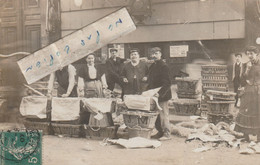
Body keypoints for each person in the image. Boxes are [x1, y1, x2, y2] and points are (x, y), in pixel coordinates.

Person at [235, 46, 260, 142]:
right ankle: (246, 135)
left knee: (258, 112)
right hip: (248, 91)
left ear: (257, 54)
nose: (249, 56)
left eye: (251, 54)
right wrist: (247, 70)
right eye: (248, 54)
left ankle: (259, 137)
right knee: (245, 111)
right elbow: (241, 81)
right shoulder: (245, 65)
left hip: (258, 91)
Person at [147, 47, 172, 141]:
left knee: (163, 115)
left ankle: (167, 133)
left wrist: (160, 93)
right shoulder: (153, 66)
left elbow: (168, 83)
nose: (154, 55)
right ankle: (160, 132)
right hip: (153, 94)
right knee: (156, 115)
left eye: (156, 53)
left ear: (160, 54)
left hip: (162, 95)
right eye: (153, 54)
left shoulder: (164, 66)